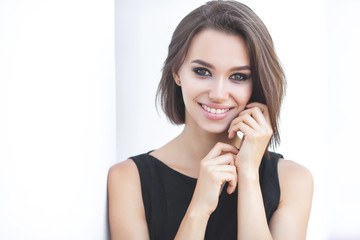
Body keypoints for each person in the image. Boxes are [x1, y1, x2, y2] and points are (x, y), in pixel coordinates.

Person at [108, 1, 313, 239]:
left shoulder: (292, 181)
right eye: (202, 71)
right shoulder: (128, 179)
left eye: (238, 76)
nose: (218, 93)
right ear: (176, 72)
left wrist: (247, 174)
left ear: (255, 84)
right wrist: (199, 209)